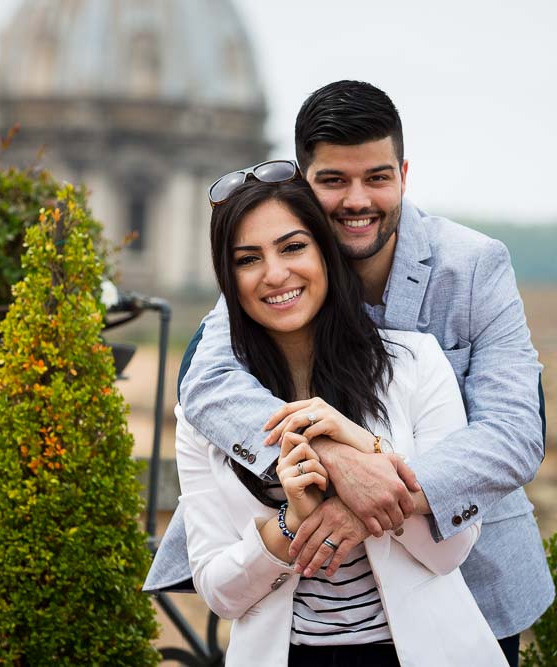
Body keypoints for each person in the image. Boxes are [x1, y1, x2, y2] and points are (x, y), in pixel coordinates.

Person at [146, 81, 554, 666]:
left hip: (470, 586)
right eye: (334, 180)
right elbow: (206, 380)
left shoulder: (474, 267)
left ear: (404, 175)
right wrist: (333, 459)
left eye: (378, 178)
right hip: (291, 617)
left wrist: (369, 492)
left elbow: (515, 433)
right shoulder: (282, 257)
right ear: (304, 185)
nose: (357, 200)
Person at [176, 172, 507, 665]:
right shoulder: (204, 413)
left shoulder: (416, 365)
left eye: (292, 248)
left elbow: (451, 551)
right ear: (229, 280)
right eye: (248, 259)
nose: (274, 274)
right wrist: (293, 523)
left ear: (326, 254)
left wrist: (365, 459)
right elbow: (219, 593)